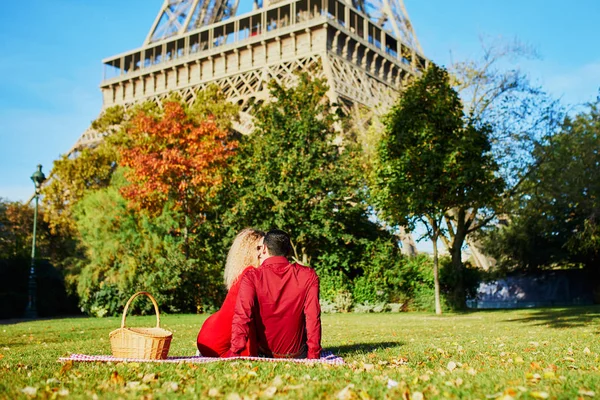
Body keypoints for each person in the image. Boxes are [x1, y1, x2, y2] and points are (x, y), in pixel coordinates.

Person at [227, 229, 322, 359]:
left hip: (264, 354)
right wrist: (314, 356)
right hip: (297, 354)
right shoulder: (308, 275)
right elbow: (313, 317)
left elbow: (242, 316)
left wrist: (235, 352)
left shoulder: (252, 277)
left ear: (264, 249)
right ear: (288, 251)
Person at [196, 228, 264, 357]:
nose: (264, 252)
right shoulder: (251, 274)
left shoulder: (241, 275)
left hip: (209, 332)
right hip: (218, 344)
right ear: (250, 252)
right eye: (259, 248)